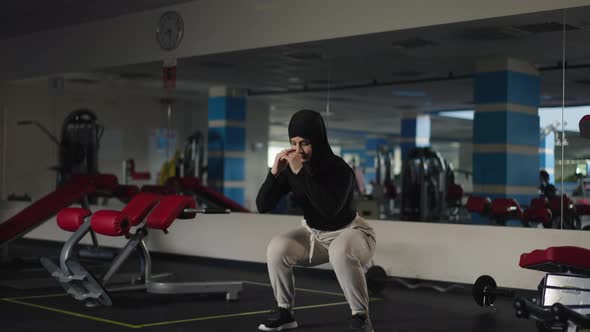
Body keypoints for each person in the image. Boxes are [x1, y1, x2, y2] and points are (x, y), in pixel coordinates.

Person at [256, 109, 377, 332]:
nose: (298, 150)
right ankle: (285, 312)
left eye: (305, 143)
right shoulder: (294, 169)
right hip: (316, 236)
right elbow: (262, 206)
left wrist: (299, 172)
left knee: (340, 250)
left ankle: (361, 317)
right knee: (277, 247)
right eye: (293, 143)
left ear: (318, 141)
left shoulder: (340, 170)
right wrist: (274, 173)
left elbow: (329, 209)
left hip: (353, 234)